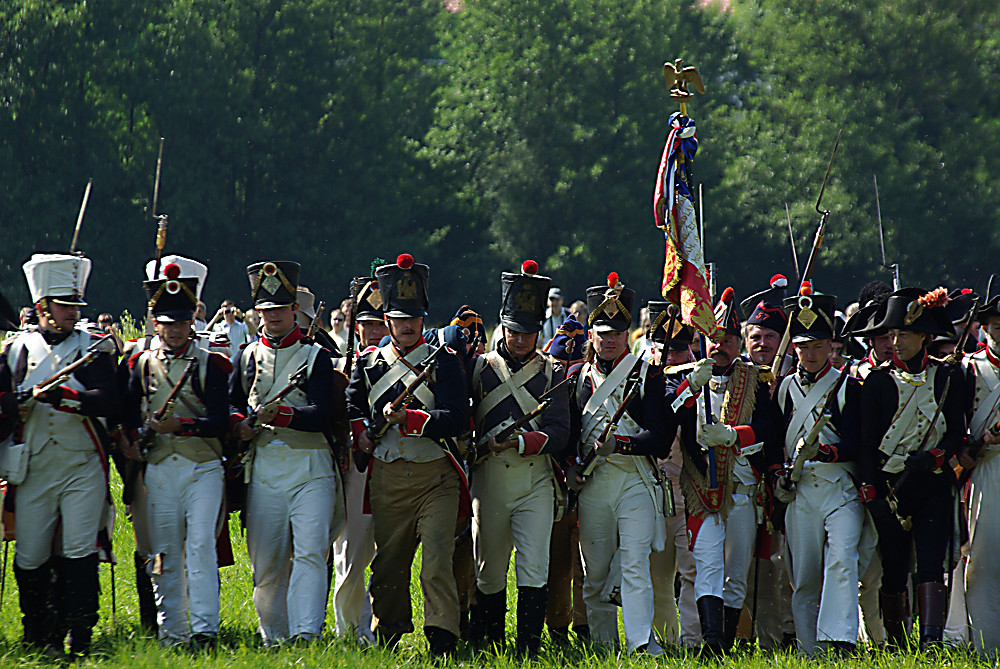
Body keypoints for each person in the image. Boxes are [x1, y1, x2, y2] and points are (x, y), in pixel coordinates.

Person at [345, 254, 469, 656]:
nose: (407, 325)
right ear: (388, 320)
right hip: (388, 475)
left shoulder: (444, 363)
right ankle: (389, 631)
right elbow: (353, 407)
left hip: (436, 476)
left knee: (436, 562)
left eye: (414, 317)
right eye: (399, 318)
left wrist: (414, 418)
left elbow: (457, 419)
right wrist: (363, 432)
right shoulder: (367, 364)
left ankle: (442, 638)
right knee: (389, 566)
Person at [0, 253, 117, 658]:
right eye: (64, 306)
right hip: (33, 468)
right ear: (41, 309)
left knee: (79, 550)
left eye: (74, 307)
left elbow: (109, 400)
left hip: (82, 466)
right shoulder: (15, 351)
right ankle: (38, 633)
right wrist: (18, 404)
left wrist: (66, 396)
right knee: (30, 555)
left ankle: (79, 634)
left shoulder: (96, 348)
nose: (72, 314)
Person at [230, 260, 347, 645]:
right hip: (264, 468)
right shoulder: (246, 356)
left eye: (280, 309)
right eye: (266, 311)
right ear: (258, 314)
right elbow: (231, 406)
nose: (274, 316)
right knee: (267, 565)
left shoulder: (316, 357)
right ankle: (273, 636)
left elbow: (322, 414)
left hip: (310, 467)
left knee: (312, 553)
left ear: (295, 309)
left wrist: (283, 415)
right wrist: (240, 426)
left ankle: (305, 633)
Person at [121, 262, 231, 648]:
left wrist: (182, 426)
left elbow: (222, 421)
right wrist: (131, 440)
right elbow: (125, 413)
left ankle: (204, 629)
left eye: (181, 322)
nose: (174, 330)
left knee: (200, 545)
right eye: (167, 323)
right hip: (159, 469)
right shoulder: (141, 364)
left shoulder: (212, 365)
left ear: (192, 320)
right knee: (164, 553)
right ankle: (173, 631)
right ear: (156, 323)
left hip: (202, 467)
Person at [466, 260, 570, 657]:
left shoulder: (554, 373)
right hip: (490, 479)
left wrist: (524, 442)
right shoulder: (479, 369)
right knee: (489, 570)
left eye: (529, 332)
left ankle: (528, 647)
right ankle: (490, 642)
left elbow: (561, 433)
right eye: (515, 331)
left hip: (535, 480)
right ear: (503, 327)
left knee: (534, 567)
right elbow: (463, 422)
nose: (522, 339)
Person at [568, 272, 673, 654]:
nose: (609, 339)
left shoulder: (648, 375)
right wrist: (571, 466)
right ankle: (603, 643)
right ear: (590, 335)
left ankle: (641, 643)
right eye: (602, 332)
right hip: (595, 485)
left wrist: (620, 444)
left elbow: (660, 441)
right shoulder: (578, 379)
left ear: (627, 334)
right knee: (595, 575)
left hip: (636, 482)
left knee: (634, 566)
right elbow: (569, 439)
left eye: (616, 332)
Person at [674, 286, 782, 655]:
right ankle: (711, 642)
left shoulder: (758, 380)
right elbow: (665, 416)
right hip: (701, 489)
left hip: (742, 489)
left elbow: (771, 432)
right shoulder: (688, 378)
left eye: (728, 340)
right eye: (713, 339)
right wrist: (690, 388)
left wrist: (734, 435)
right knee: (706, 566)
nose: (719, 346)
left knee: (735, 574)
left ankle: (728, 639)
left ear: (739, 344)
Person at [855, 287, 965, 650]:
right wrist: (871, 488)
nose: (894, 341)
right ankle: (898, 642)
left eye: (903, 334)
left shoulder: (948, 377)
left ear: (924, 337)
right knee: (894, 566)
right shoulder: (877, 381)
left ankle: (931, 641)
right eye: (892, 334)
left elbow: (956, 435)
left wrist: (935, 458)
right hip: (891, 487)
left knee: (932, 563)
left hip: (932, 483)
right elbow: (867, 444)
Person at [770, 290, 872, 656]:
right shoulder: (783, 389)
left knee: (843, 560)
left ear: (831, 345)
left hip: (840, 487)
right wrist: (776, 473)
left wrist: (827, 451)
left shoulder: (848, 386)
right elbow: (771, 442)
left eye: (816, 345)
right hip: (801, 491)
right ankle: (809, 647)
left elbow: (861, 443)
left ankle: (839, 639)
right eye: (802, 346)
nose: (810, 353)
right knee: (805, 578)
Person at [332, 275, 385, 643]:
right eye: (365, 324)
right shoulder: (340, 365)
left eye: (378, 323)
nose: (371, 331)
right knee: (351, 556)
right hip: (357, 469)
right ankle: (352, 630)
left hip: (399, 466)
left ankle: (386, 626)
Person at [646, 304, 700, 648]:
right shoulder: (642, 383)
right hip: (652, 492)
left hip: (691, 491)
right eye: (666, 349)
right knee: (657, 576)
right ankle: (666, 641)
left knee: (693, 573)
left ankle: (694, 640)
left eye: (680, 350)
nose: (673, 357)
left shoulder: (699, 385)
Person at [955, 278, 1000, 654]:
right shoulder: (969, 368)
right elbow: (953, 427)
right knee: (983, 561)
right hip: (987, 470)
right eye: (998, 324)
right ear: (984, 327)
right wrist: (978, 444)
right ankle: (987, 646)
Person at [542, 316, 589, 645]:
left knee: (588, 560)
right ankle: (558, 623)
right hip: (553, 476)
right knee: (559, 558)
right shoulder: (547, 382)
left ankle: (587, 623)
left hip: (592, 474)